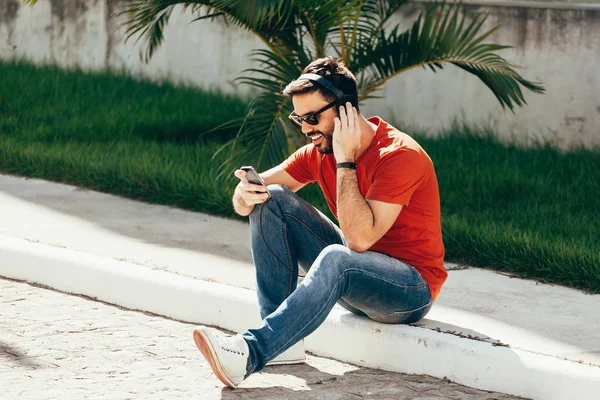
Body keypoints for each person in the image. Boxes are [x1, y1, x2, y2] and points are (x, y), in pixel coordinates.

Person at [192, 57, 447, 388]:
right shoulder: (317, 151)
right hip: (356, 274)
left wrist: (346, 160)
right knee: (273, 199)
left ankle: (252, 351)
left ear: (345, 111)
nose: (305, 129)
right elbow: (250, 197)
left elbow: (358, 241)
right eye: (299, 118)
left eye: (312, 118)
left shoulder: (399, 156)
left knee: (338, 257)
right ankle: (282, 342)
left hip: (409, 291)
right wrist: (244, 194)